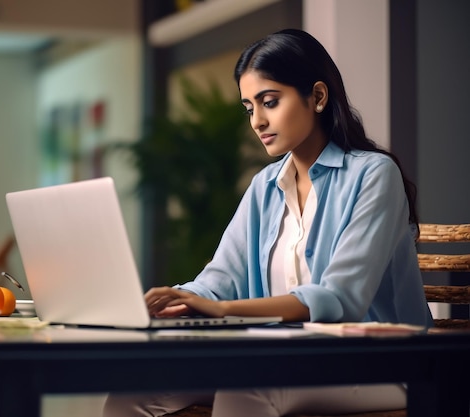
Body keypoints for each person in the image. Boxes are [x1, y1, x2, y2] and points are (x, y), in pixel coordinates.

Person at [103, 28, 433, 417]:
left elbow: (341, 299)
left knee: (249, 388)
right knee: (131, 394)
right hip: (287, 359)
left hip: (385, 365)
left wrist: (223, 310)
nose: (257, 121)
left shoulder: (374, 175)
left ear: (318, 96)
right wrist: (174, 301)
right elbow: (218, 281)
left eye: (269, 102)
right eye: (249, 108)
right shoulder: (265, 186)